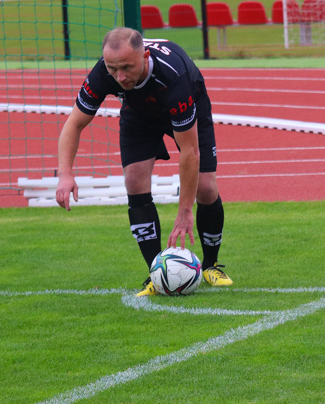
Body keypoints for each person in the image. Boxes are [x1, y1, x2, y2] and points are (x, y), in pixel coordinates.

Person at [56, 27, 233, 296]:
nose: (120, 76)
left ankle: (211, 264)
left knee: (206, 188)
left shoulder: (174, 76)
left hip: (188, 104)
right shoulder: (104, 72)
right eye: (113, 68)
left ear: (145, 56)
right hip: (138, 113)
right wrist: (65, 173)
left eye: (127, 67)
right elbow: (74, 123)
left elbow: (189, 152)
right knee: (134, 181)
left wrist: (185, 210)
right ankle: (155, 272)